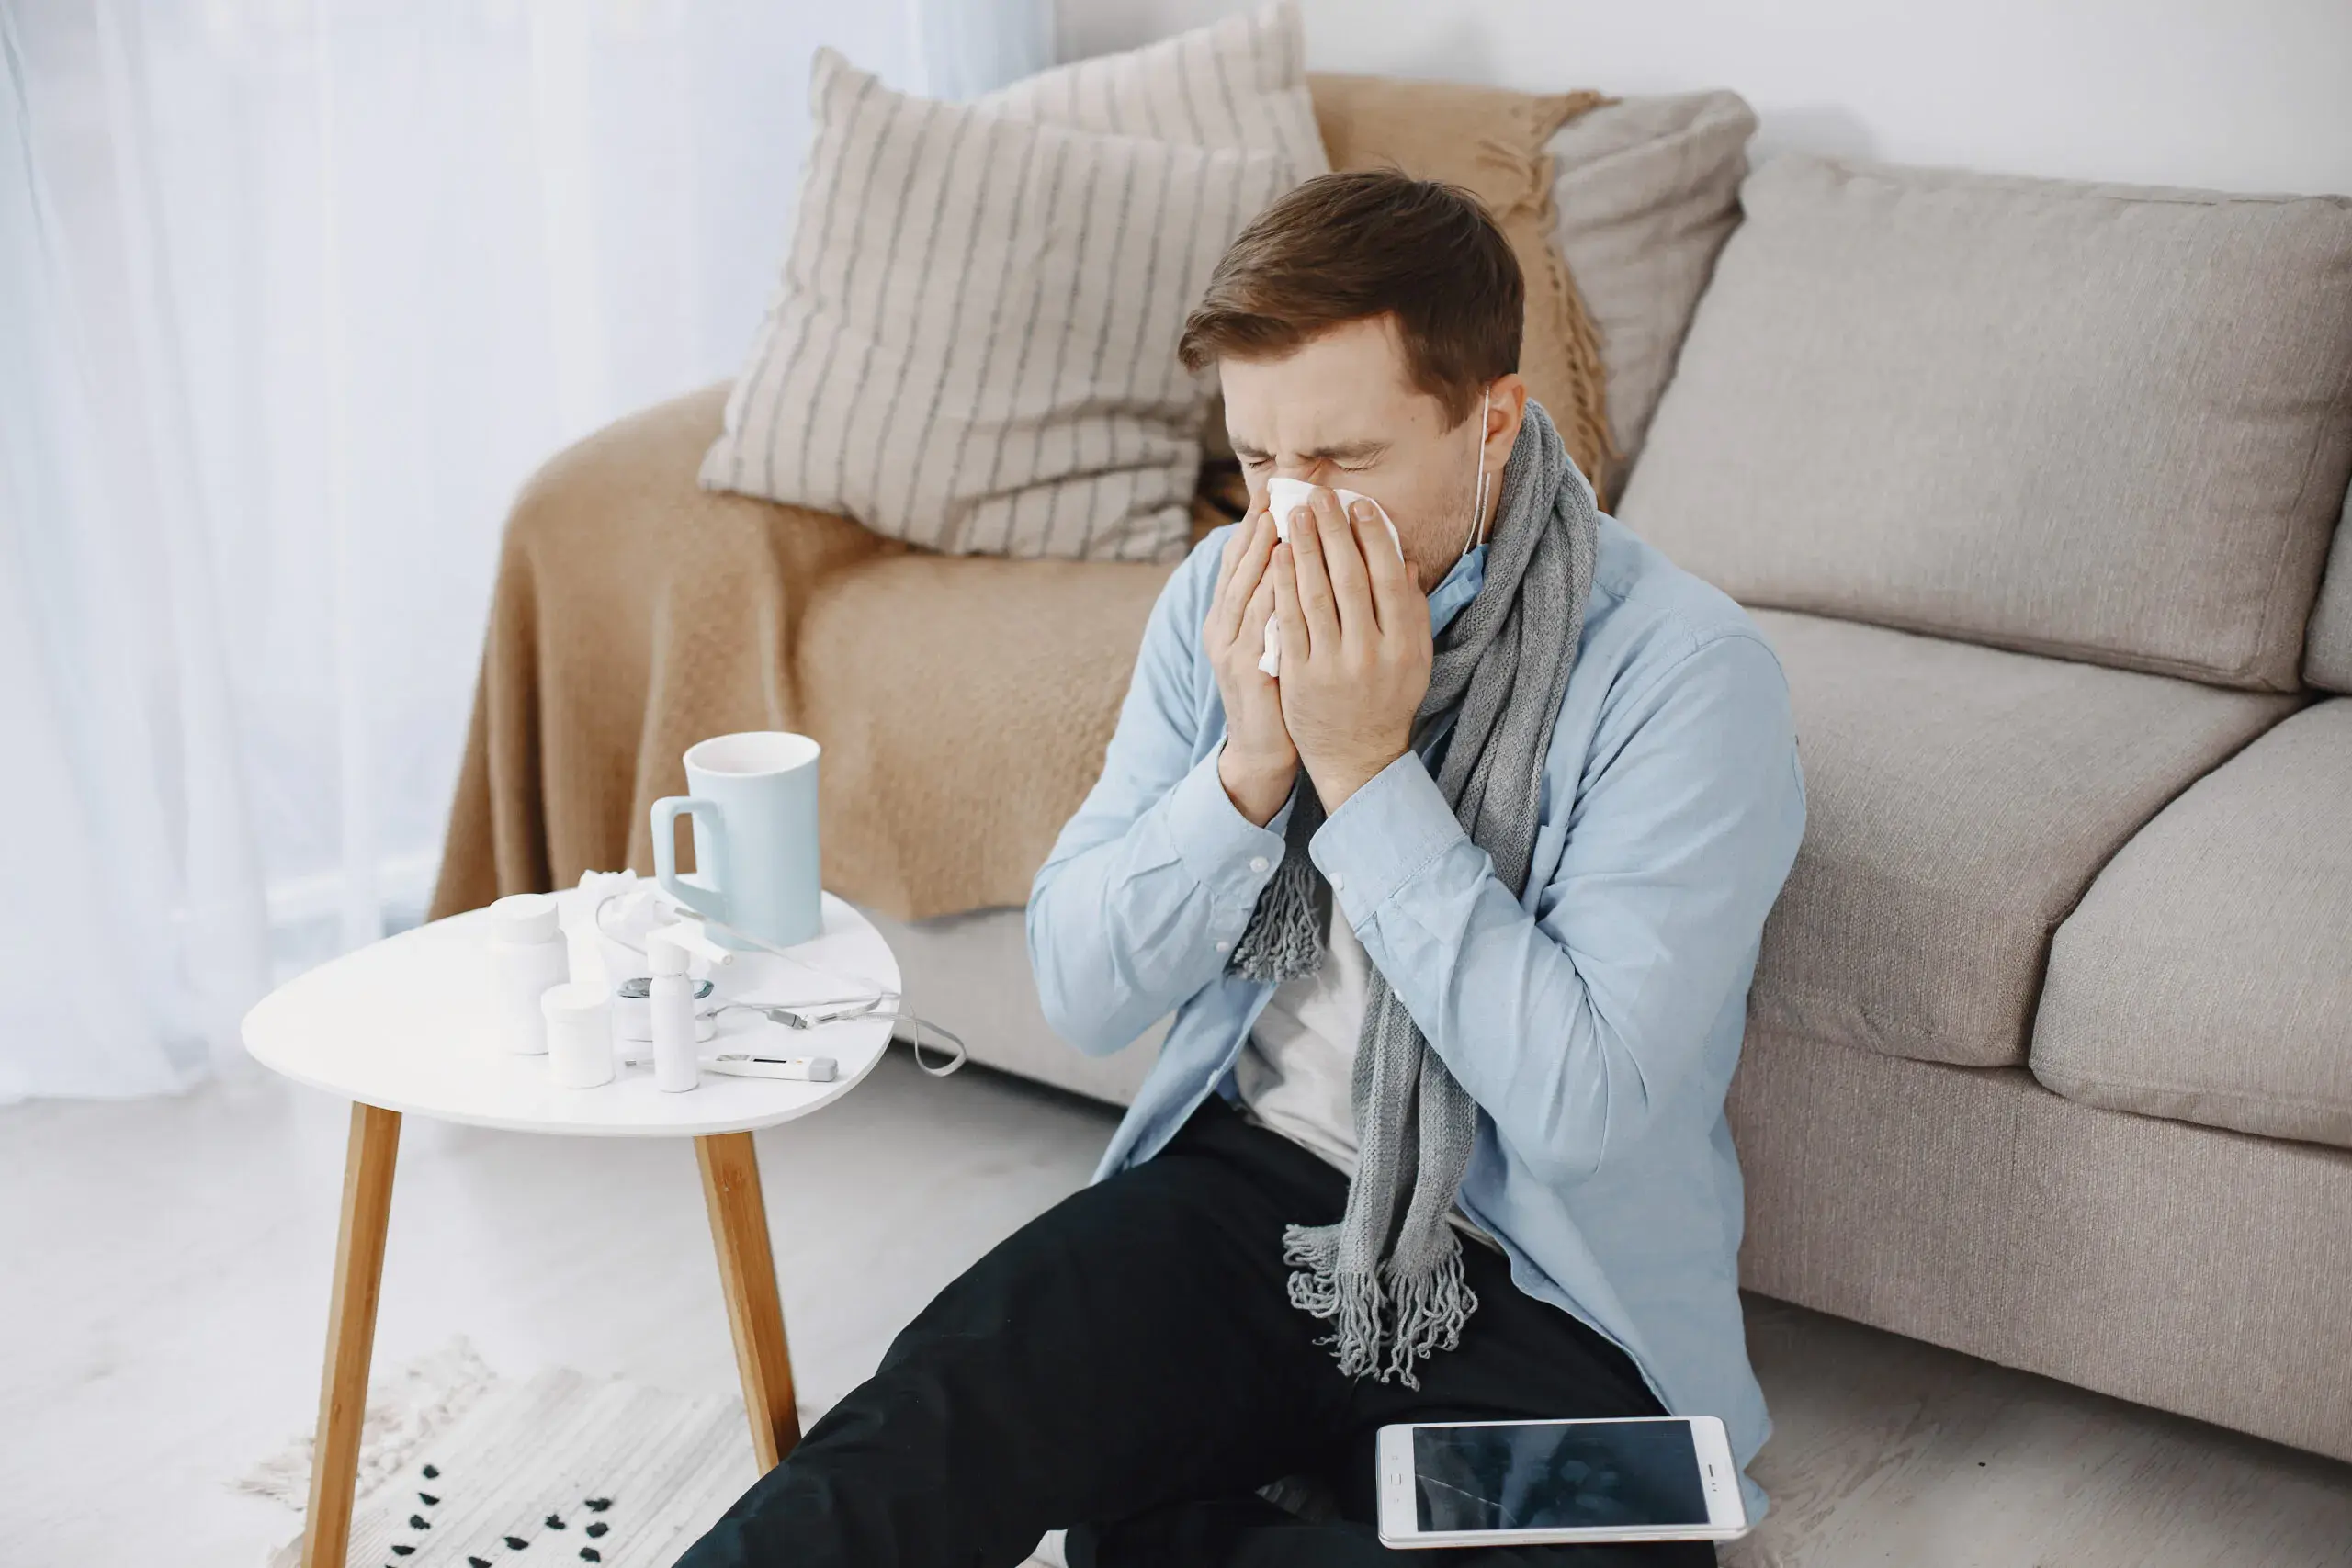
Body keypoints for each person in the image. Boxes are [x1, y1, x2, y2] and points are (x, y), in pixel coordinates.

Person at [679, 169, 1806, 1568]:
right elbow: (1083, 988)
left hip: (1542, 1280)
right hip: (1247, 1193)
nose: (1292, 516)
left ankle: (1169, 1528)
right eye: (1262, 461)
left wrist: (1370, 774)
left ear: (1491, 424)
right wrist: (1247, 771)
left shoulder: (1686, 680)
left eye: (1342, 462)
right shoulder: (1217, 599)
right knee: (940, 1415)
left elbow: (1582, 1109)